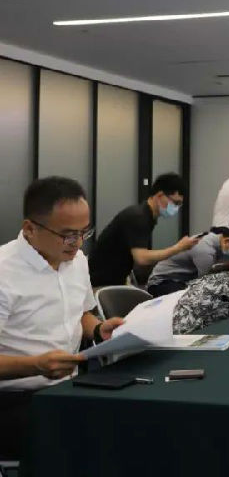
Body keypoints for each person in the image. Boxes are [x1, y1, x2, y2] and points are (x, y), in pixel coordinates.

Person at [0, 177, 124, 458]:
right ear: (30, 228)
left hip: (68, 387)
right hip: (14, 398)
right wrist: (36, 366)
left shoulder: (76, 261)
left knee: (135, 420)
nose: (77, 243)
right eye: (68, 235)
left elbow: (81, 313)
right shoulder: (4, 272)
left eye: (84, 232)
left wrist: (99, 330)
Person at [89, 173, 199, 288]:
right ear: (160, 195)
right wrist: (178, 248)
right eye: (175, 203)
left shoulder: (147, 216)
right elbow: (142, 258)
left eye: (180, 205)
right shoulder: (139, 217)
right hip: (100, 283)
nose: (176, 208)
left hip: (114, 280)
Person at [145, 225, 229, 297]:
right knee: (201, 297)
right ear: (227, 241)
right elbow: (207, 283)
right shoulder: (205, 249)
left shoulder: (215, 240)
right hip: (161, 283)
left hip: (181, 281)